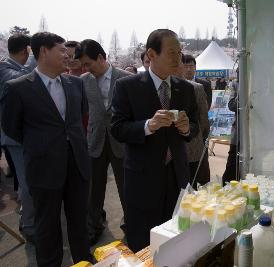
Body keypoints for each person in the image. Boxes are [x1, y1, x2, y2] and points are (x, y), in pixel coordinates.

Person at [1, 32, 92, 266]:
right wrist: (41, 144)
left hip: (76, 164)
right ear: (43, 52)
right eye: (61, 50)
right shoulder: (18, 88)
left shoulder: (76, 84)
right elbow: (12, 128)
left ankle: (83, 260)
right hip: (43, 167)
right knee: (48, 226)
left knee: (79, 222)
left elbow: (79, 119)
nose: (67, 55)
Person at [111, 29, 199, 252]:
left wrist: (188, 128)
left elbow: (196, 126)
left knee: (177, 237)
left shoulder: (185, 89)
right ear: (151, 54)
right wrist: (147, 126)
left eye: (179, 53)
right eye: (171, 53)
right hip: (143, 177)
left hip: (177, 174)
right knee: (144, 241)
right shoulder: (127, 87)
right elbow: (118, 129)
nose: (177, 59)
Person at [76, 39, 131, 245]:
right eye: (83, 65)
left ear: (101, 57)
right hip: (95, 141)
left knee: (126, 187)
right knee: (93, 190)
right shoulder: (83, 80)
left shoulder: (126, 78)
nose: (85, 68)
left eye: (88, 63)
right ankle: (93, 227)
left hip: (121, 142)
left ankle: (130, 224)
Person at [0, 33, 36, 241]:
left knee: (27, 182)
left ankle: (28, 219)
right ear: (26, 50)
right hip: (14, 138)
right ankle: (30, 227)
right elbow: (19, 83)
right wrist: (34, 60)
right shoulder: (4, 68)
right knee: (28, 183)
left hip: (24, 136)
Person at [178, 54, 210, 187]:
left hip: (193, 142)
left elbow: (203, 117)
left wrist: (199, 137)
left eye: (191, 66)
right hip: (171, 150)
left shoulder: (197, 87)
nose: (188, 69)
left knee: (194, 180)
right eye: (186, 66)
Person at [222, 71, 239, 184]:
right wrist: (242, 90)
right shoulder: (235, 84)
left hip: (258, 133)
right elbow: (231, 105)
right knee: (232, 165)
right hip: (238, 132)